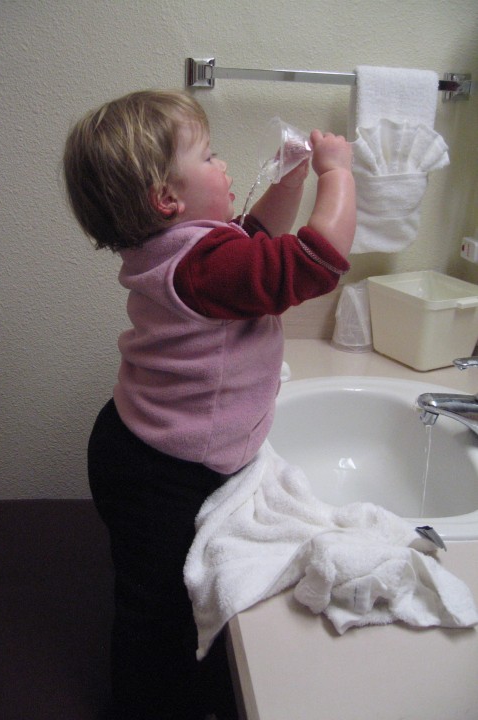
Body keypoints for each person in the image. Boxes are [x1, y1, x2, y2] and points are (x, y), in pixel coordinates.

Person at [63, 89, 355, 720]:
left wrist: (291, 177)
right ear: (167, 199)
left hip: (136, 445)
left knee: (154, 588)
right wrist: (337, 174)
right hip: (160, 474)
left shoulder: (186, 251)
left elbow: (255, 237)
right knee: (156, 609)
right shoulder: (201, 267)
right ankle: (148, 704)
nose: (226, 167)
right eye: (211, 156)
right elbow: (315, 260)